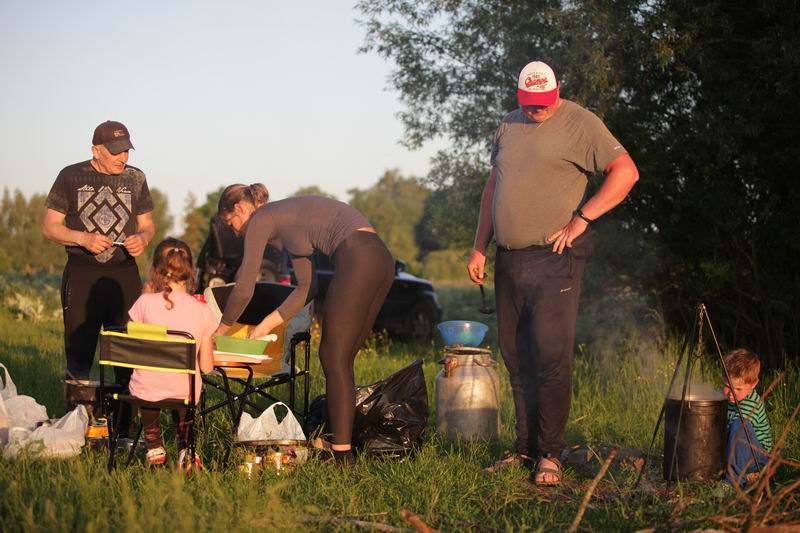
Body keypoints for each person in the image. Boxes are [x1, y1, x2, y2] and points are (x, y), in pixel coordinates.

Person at [466, 61, 639, 484]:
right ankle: (524, 450)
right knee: (515, 357)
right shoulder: (508, 125)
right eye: (530, 104)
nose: (537, 111)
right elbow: (494, 186)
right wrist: (479, 244)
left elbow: (626, 172)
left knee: (549, 357)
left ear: (557, 91)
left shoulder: (581, 123)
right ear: (519, 95)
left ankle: (551, 454)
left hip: (555, 257)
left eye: (544, 104)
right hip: (510, 259)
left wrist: (583, 217)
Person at [214, 184, 394, 466]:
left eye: (231, 223)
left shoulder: (262, 218)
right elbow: (307, 288)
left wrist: (219, 331)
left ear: (239, 208)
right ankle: (336, 440)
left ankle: (342, 456)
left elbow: (244, 289)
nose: (235, 231)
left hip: (357, 257)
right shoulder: (287, 221)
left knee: (333, 356)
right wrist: (266, 324)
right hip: (380, 258)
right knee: (341, 358)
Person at [42, 120, 155, 415]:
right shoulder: (70, 176)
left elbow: (147, 225)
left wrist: (142, 239)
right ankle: (76, 424)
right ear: (96, 150)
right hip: (83, 274)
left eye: (126, 150)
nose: (123, 158)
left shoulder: (137, 178)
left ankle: (124, 429)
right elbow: (50, 227)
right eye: (116, 151)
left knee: (127, 353)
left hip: (124, 275)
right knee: (79, 353)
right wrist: (83, 238)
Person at [127, 238, 216, 468]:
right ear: (190, 271)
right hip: (183, 391)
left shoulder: (143, 303)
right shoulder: (203, 311)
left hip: (146, 390)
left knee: (148, 382)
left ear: (156, 270)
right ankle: (186, 448)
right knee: (183, 386)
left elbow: (130, 348)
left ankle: (153, 445)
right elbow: (206, 367)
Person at [721, 348, 773, 488]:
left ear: (753, 385)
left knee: (739, 425)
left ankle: (733, 483)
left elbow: (735, 434)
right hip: (735, 450)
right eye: (727, 386)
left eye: (738, 389)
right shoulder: (724, 397)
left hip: (756, 456)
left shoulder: (751, 404)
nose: (731, 393)